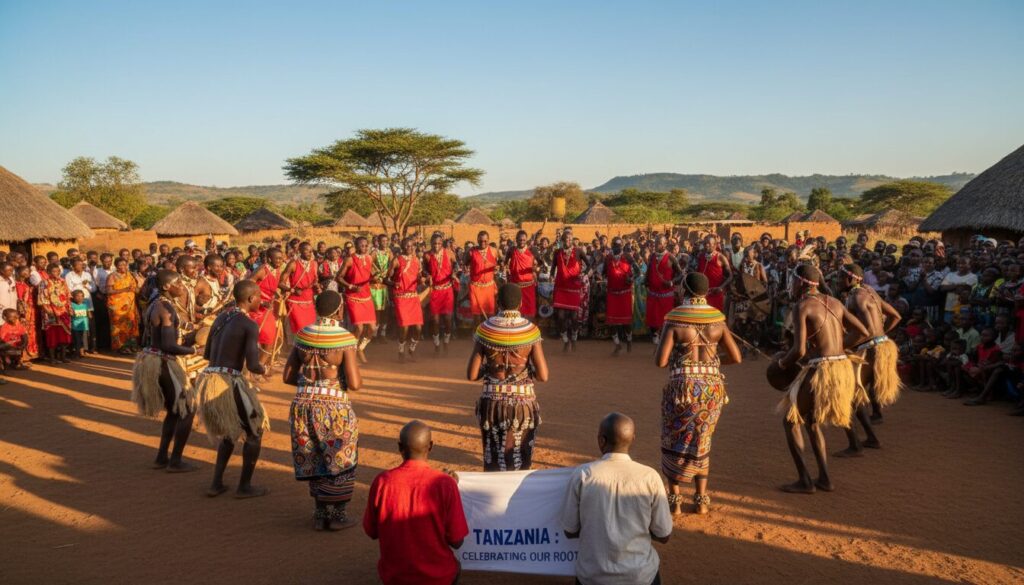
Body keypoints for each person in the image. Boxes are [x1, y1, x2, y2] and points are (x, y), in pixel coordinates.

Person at [774, 264, 869, 494]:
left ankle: (805, 480)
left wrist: (780, 364)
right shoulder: (834, 301)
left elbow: (797, 351)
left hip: (823, 369)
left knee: (791, 420)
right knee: (812, 421)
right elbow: (862, 332)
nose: (792, 284)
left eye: (794, 280)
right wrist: (836, 349)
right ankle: (824, 478)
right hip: (841, 367)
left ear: (802, 283)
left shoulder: (802, 306)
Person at [655, 272, 741, 515]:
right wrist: (709, 365)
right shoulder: (718, 320)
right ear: (704, 292)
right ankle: (702, 499)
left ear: (684, 290)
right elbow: (735, 357)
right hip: (712, 389)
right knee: (702, 439)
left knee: (673, 438)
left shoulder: (675, 319)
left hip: (681, 388)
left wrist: (687, 365)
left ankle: (675, 500)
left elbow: (661, 361)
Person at [561, 413, 672, 585]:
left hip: (592, 577)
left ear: (601, 440)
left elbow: (570, 530)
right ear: (632, 439)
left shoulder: (583, 475)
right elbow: (664, 535)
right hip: (640, 577)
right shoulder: (650, 477)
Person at [283, 290, 362, 530]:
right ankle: (337, 514)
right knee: (340, 456)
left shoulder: (303, 334)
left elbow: (287, 376)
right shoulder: (344, 338)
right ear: (339, 310)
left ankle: (319, 512)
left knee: (314, 455)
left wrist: (311, 385)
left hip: (302, 405)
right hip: (333, 407)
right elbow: (355, 383)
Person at [363, 420, 468, 585]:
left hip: (394, 577)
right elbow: (457, 541)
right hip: (438, 577)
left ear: (400, 447)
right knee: (456, 567)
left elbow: (371, 531)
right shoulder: (445, 484)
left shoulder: (382, 482)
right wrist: (451, 487)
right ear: (431, 446)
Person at [195, 280, 270, 499]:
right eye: (258, 296)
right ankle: (244, 487)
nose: (261, 300)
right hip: (229, 381)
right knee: (255, 430)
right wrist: (265, 368)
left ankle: (216, 483)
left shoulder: (221, 317)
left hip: (211, 378)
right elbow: (254, 364)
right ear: (250, 299)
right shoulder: (249, 324)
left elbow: (207, 354)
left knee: (230, 430)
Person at [466, 283, 548, 471]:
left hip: (492, 405)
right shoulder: (531, 331)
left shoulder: (485, 330)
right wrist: (527, 371)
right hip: (523, 406)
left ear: (498, 302)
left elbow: (472, 375)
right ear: (520, 304)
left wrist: (489, 368)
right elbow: (543, 376)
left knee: (493, 460)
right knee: (520, 461)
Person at [131, 269, 200, 473]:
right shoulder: (165, 308)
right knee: (187, 410)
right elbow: (169, 345)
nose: (182, 285)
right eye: (178, 282)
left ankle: (162, 457)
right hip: (163, 362)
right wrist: (195, 349)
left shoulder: (156, 303)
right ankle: (176, 461)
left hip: (154, 359)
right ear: (166, 287)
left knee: (173, 410)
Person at [837, 265, 902, 459]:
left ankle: (855, 445)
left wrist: (839, 347)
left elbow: (863, 331)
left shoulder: (856, 297)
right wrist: (881, 335)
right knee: (856, 396)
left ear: (851, 279)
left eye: (841, 277)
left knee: (848, 396)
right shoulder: (870, 291)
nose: (838, 281)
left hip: (870, 350)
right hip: (883, 346)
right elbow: (895, 316)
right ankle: (871, 438)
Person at [338, 236, 378, 362]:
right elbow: (338, 277)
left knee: (372, 328)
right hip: (353, 296)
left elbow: (371, 273)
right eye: (362, 245)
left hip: (366, 296)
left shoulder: (370, 258)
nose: (365, 248)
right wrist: (351, 286)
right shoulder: (349, 260)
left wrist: (374, 279)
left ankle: (360, 348)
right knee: (359, 328)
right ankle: (351, 350)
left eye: (366, 245)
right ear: (356, 245)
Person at [248, 248, 285, 375]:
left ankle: (260, 366)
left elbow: (273, 286)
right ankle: (255, 368)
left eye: (281, 258)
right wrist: (260, 301)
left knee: (271, 337)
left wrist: (281, 292)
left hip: (267, 308)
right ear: (269, 259)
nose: (280, 261)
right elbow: (248, 286)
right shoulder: (262, 270)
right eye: (277, 258)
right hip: (256, 309)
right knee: (264, 337)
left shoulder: (277, 270)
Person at [386, 237, 424, 362]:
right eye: (407, 246)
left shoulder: (417, 260)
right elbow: (386, 279)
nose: (410, 248)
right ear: (403, 247)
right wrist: (393, 284)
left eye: (412, 245)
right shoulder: (397, 260)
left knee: (418, 328)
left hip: (413, 296)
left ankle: (411, 350)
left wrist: (421, 279)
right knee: (405, 327)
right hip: (401, 297)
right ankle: (401, 351)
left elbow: (418, 277)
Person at [552, 229, 590, 351]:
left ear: (572, 240)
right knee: (561, 316)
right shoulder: (557, 252)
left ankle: (574, 337)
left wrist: (583, 273)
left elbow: (589, 264)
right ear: (562, 240)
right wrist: (551, 276)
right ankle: (565, 340)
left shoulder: (579, 251)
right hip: (561, 287)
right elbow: (553, 267)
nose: (567, 241)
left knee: (574, 317)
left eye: (569, 239)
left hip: (573, 287)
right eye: (565, 239)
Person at [645, 235, 683, 345]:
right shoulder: (652, 257)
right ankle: (656, 337)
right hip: (653, 294)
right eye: (656, 242)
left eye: (659, 243)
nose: (657, 245)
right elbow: (648, 271)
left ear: (665, 244)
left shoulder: (671, 257)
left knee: (665, 320)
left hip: (666, 295)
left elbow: (680, 274)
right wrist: (646, 283)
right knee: (652, 320)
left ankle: (666, 342)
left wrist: (671, 282)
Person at [602, 237, 637, 355]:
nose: (617, 247)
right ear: (611, 246)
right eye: (615, 245)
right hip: (612, 293)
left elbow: (638, 272)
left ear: (622, 246)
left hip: (625, 294)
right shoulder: (608, 258)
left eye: (619, 245)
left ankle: (629, 341)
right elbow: (603, 273)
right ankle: (617, 344)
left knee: (626, 322)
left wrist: (630, 279)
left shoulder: (628, 257)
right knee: (611, 322)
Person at [423, 234, 458, 354]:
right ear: (431, 243)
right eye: (434, 244)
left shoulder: (449, 253)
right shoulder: (427, 255)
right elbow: (424, 269)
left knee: (448, 318)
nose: (436, 246)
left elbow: (457, 265)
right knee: (435, 320)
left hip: (447, 290)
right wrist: (427, 275)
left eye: (438, 243)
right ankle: (437, 344)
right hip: (435, 290)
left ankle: (446, 342)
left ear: (442, 243)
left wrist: (454, 273)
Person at [279, 242, 320, 334]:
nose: (310, 253)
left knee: (311, 330)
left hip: (309, 301)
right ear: (299, 251)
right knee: (301, 330)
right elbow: (280, 283)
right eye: (307, 251)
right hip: (295, 302)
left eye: (311, 251)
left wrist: (317, 287)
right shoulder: (293, 264)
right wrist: (291, 290)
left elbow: (315, 281)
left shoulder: (314, 264)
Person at [38, 263, 72, 364]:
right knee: (52, 336)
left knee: (64, 335)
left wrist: (69, 308)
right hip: (50, 312)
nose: (56, 273)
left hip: (63, 311)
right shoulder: (43, 283)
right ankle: (52, 358)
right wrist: (49, 311)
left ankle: (63, 357)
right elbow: (42, 299)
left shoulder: (62, 281)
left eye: (58, 271)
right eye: (53, 271)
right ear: (48, 272)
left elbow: (67, 295)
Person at [106, 258, 139, 354]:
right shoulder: (112, 276)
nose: (123, 267)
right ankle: (120, 347)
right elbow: (108, 291)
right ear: (116, 266)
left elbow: (135, 289)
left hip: (130, 306)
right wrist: (124, 290)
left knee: (131, 325)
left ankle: (131, 346)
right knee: (118, 326)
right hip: (117, 307)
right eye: (120, 265)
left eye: (125, 264)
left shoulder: (130, 275)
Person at [468, 230, 500, 324]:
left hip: (489, 287)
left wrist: (497, 267)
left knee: (490, 314)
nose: (483, 243)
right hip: (475, 287)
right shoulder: (472, 252)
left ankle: (489, 335)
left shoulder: (494, 251)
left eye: (485, 241)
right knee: (476, 316)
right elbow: (464, 262)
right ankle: (477, 336)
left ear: (488, 240)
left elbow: (500, 262)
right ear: (477, 240)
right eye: (481, 241)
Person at [506, 229, 539, 319]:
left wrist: (535, 268)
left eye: (524, 240)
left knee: (530, 310)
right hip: (515, 286)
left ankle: (528, 329)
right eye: (520, 240)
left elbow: (540, 264)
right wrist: (507, 269)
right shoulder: (512, 250)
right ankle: (516, 331)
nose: (522, 242)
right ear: (516, 240)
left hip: (529, 286)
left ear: (526, 240)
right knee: (515, 310)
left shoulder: (532, 250)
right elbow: (505, 263)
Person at [696, 234, 733, 312]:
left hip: (716, 294)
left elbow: (730, 276)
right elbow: (698, 274)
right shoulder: (700, 257)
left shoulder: (721, 257)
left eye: (709, 243)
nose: (706, 245)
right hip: (702, 295)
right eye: (705, 243)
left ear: (715, 245)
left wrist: (721, 287)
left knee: (716, 320)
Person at [370, 234, 392, 342]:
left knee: (386, 310)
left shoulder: (389, 252)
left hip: (386, 284)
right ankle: (374, 334)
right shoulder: (374, 253)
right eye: (382, 241)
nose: (385, 243)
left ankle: (382, 333)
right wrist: (375, 276)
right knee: (378, 310)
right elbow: (368, 265)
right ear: (378, 241)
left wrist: (389, 276)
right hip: (376, 285)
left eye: (386, 241)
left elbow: (392, 265)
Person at [69, 290, 91, 358]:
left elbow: (89, 315)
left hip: (84, 326)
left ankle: (81, 352)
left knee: (82, 340)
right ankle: (76, 353)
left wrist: (89, 314)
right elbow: (71, 314)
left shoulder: (85, 305)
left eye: (82, 296)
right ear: (73, 297)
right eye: (77, 296)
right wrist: (72, 313)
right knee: (77, 340)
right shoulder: (72, 305)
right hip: (75, 326)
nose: (80, 298)